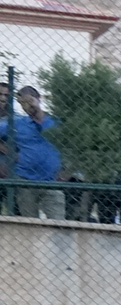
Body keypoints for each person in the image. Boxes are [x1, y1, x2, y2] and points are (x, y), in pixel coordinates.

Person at [9, 84, 68, 220]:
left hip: (52, 182)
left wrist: (67, 171)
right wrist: (8, 151)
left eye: (30, 101)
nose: (27, 106)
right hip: (26, 181)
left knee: (58, 223)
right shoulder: (17, 124)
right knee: (30, 225)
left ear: (39, 99)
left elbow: (72, 145)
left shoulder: (56, 122)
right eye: (22, 103)